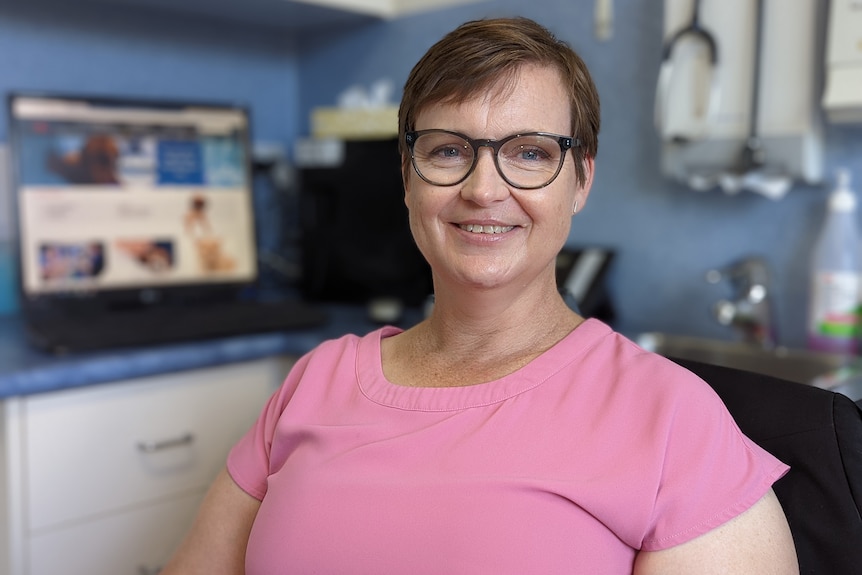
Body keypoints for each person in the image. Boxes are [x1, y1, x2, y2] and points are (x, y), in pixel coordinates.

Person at [162, 17, 798, 574]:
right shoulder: (312, 384)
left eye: (528, 153)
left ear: (580, 180)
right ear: (407, 177)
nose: (484, 189)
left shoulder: (673, 419)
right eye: (447, 150)